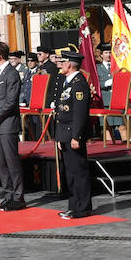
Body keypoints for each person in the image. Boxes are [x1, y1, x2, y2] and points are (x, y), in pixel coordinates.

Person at [54, 50, 93, 219]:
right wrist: (59, 137)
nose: (60, 65)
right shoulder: (67, 81)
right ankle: (73, 205)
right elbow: (61, 112)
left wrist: (76, 136)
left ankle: (83, 207)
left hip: (73, 134)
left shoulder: (78, 83)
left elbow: (79, 113)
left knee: (79, 172)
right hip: (64, 133)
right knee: (70, 173)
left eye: (62, 62)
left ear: (69, 64)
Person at [0, 41, 25, 210]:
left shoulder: (11, 74)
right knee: (0, 162)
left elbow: (10, 102)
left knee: (12, 162)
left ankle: (18, 197)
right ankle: (7, 194)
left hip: (7, 124)